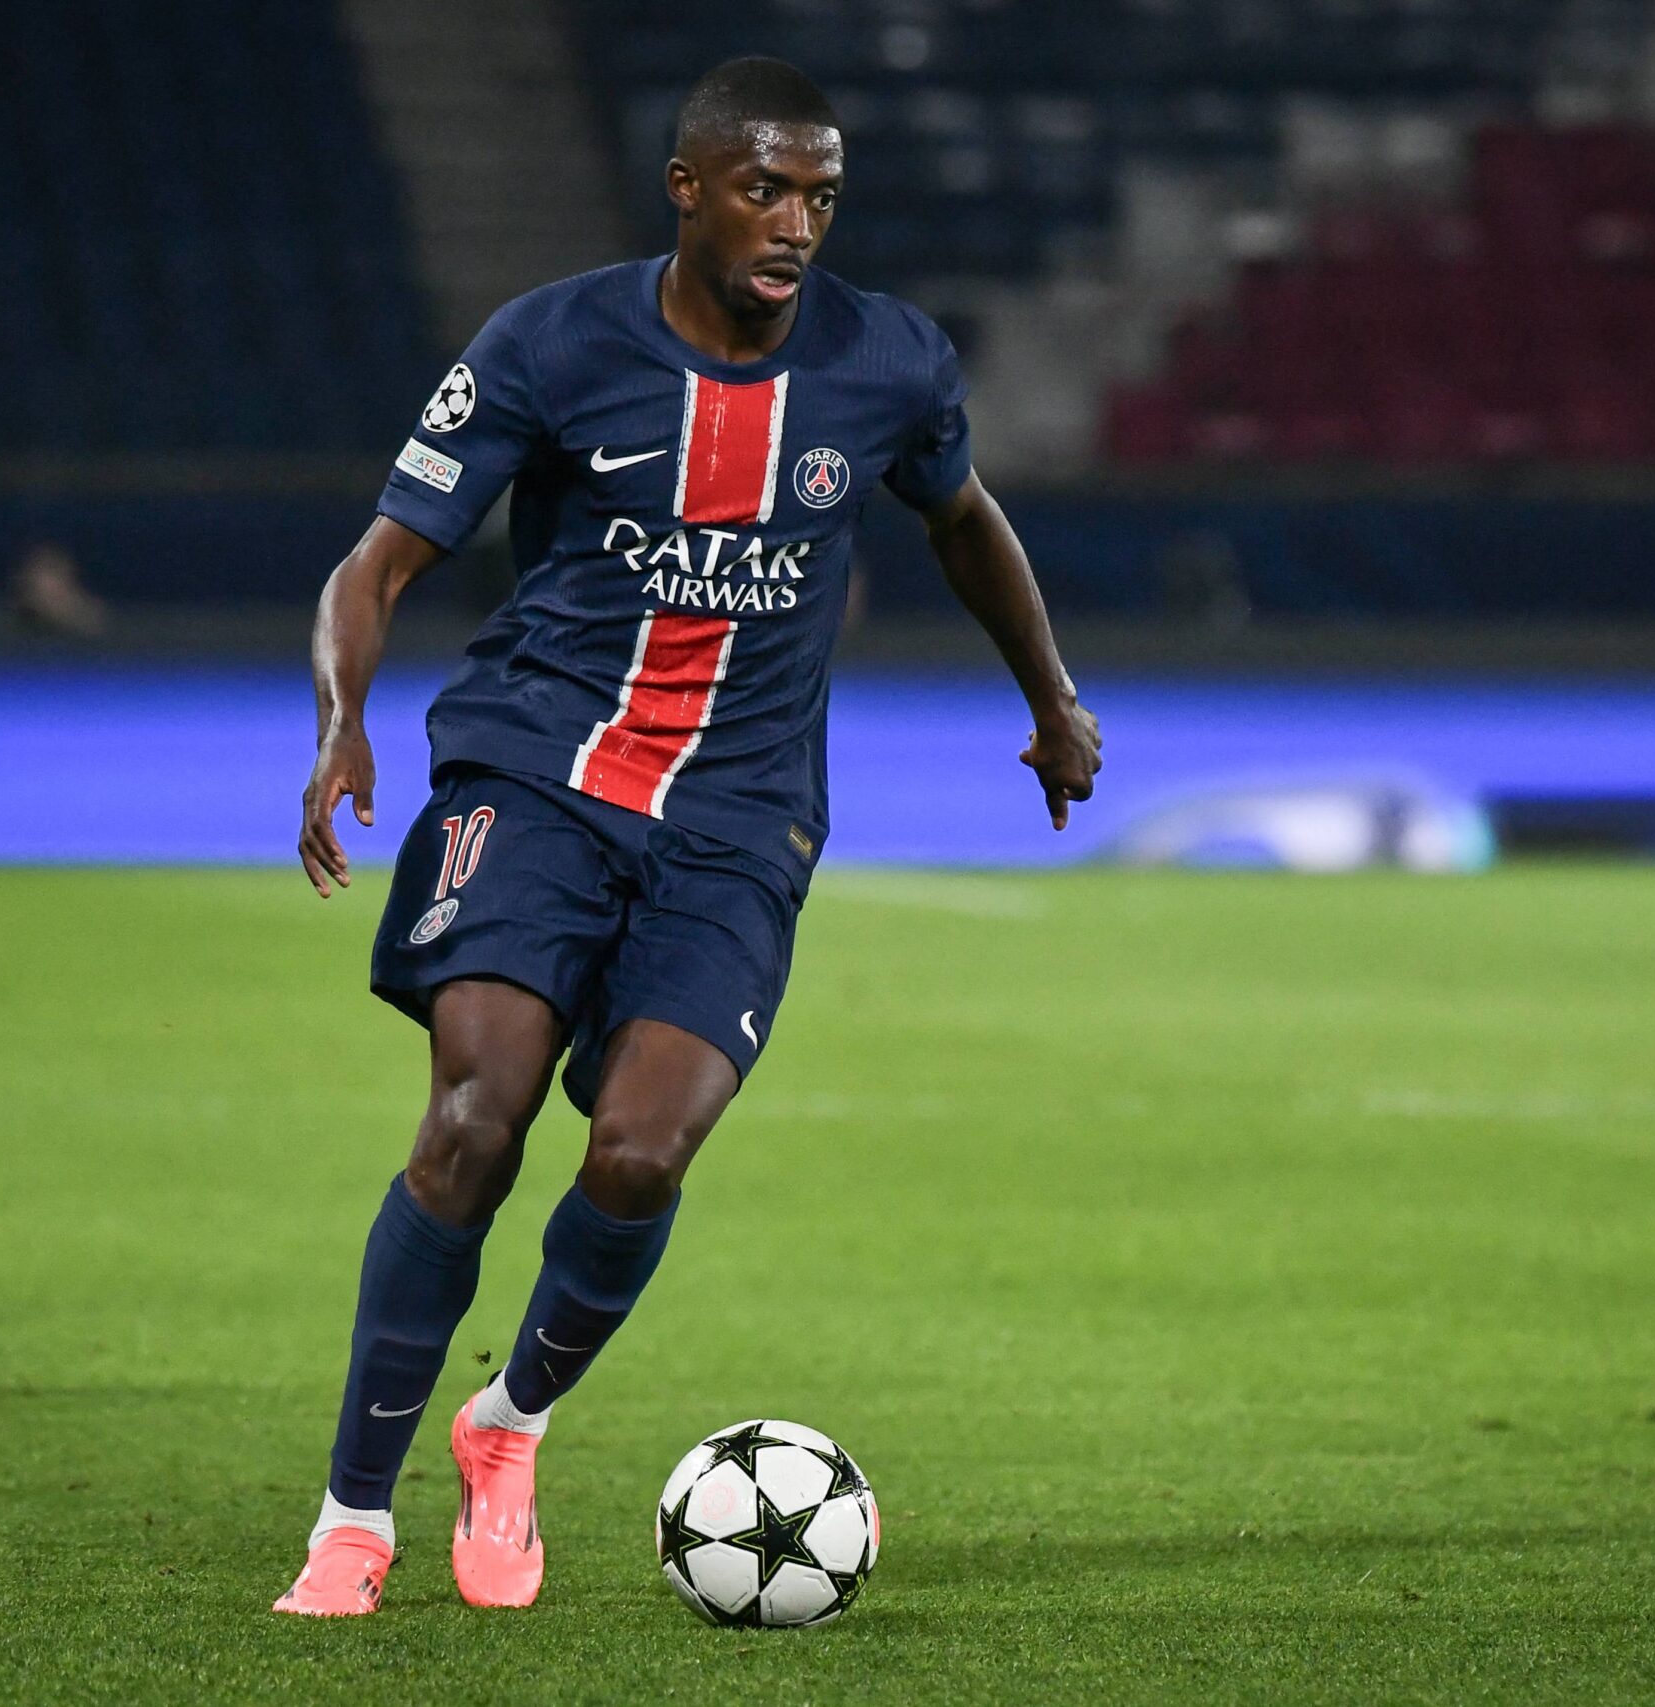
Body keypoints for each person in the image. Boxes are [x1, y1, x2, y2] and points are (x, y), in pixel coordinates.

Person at [275, 55, 1102, 1617]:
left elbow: (967, 516)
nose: (798, 223)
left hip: (740, 820)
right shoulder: (553, 342)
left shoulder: (888, 364)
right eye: (767, 190)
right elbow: (376, 563)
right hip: (536, 774)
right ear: (690, 189)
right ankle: (352, 1517)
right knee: (473, 1120)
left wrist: (1053, 700)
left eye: (822, 197)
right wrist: (341, 724)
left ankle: (507, 1425)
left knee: (643, 1152)